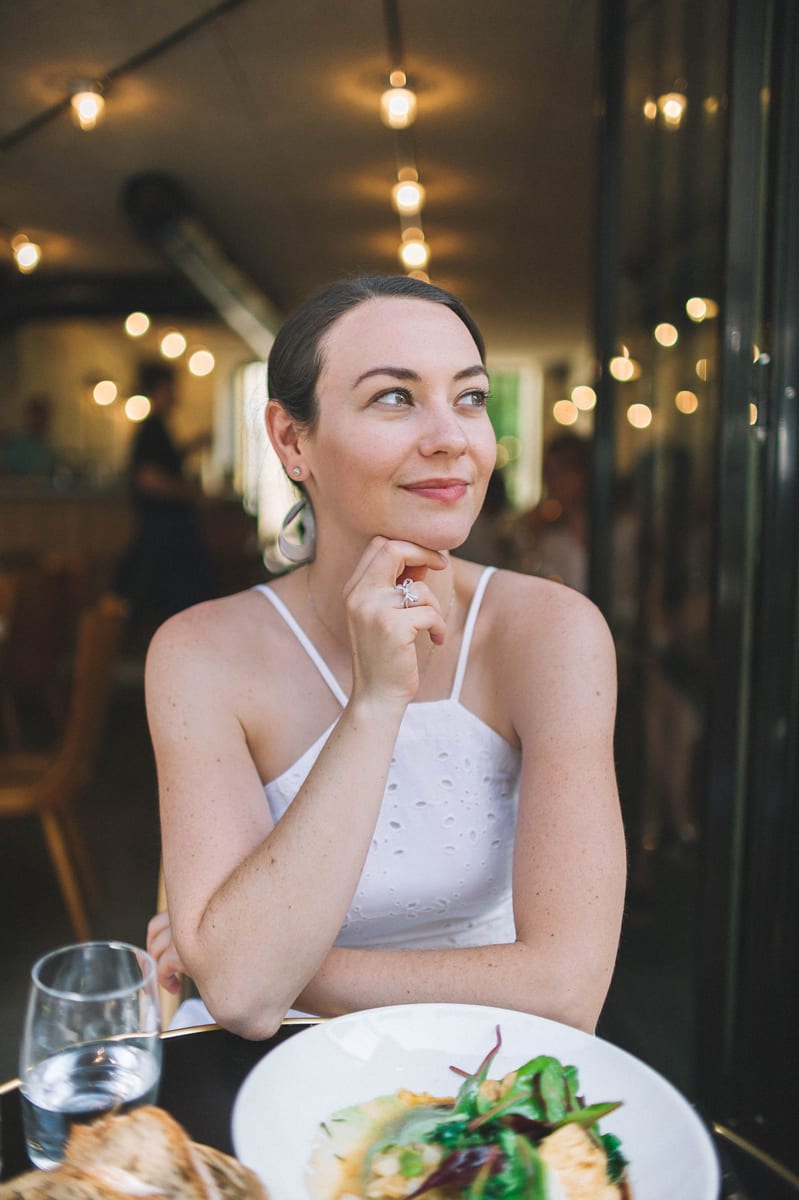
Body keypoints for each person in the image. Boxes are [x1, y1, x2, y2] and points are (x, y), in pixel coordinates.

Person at [146, 276, 625, 1039]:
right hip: (269, 1088)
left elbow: (566, 991)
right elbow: (237, 996)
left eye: (469, 397)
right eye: (394, 398)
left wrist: (257, 962)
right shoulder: (199, 653)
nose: (451, 437)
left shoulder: (551, 632)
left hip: (483, 1087)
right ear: (291, 440)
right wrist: (374, 704)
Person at [114, 363, 217, 637]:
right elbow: (149, 478)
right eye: (171, 387)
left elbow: (162, 464)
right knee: (165, 600)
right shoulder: (151, 428)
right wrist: (190, 493)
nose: (175, 393)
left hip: (166, 531)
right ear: (159, 389)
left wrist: (191, 446)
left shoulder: (158, 428)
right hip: (163, 531)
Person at [512, 433, 591, 592]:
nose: (554, 481)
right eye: (549, 472)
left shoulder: (610, 524)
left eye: (563, 471)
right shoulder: (545, 525)